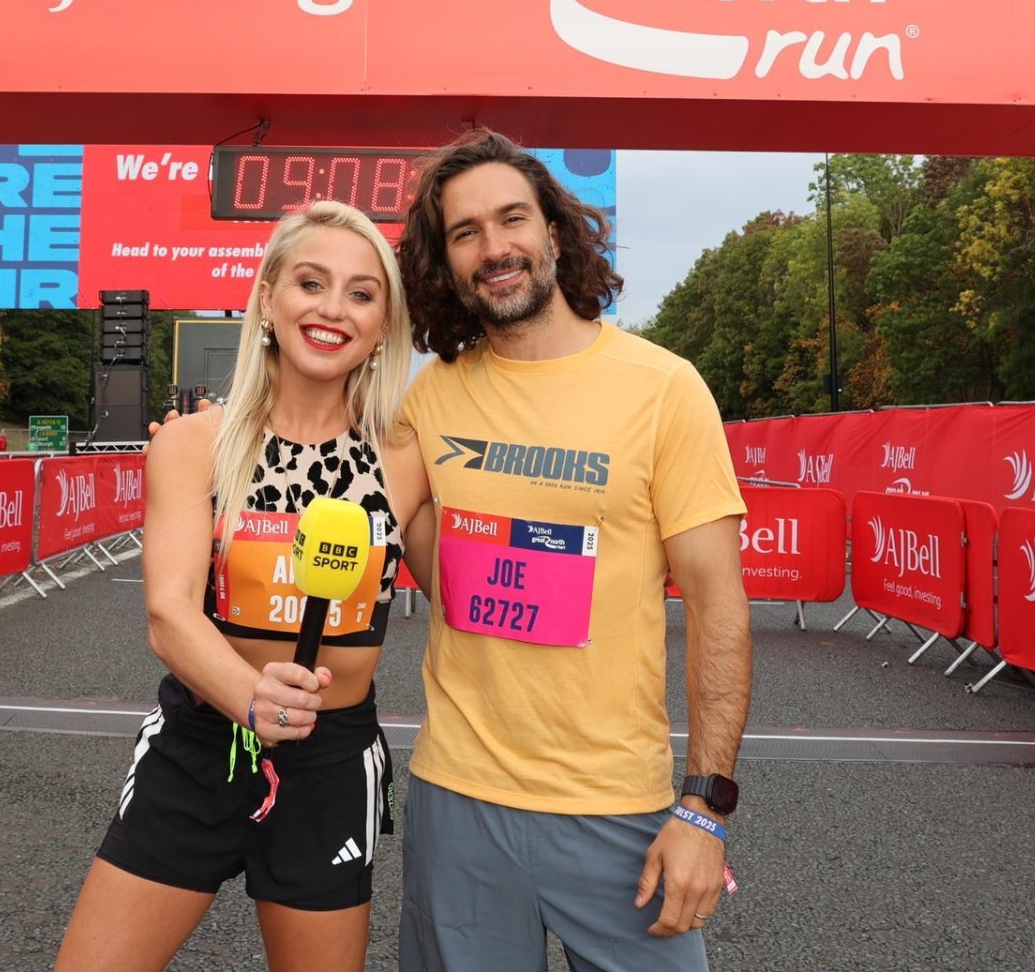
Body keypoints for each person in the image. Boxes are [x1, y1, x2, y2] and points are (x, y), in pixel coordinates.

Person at [393, 129, 752, 971]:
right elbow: (354, 513)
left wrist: (704, 809)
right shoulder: (430, 396)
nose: (495, 247)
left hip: (619, 805)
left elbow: (718, 605)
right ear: (445, 263)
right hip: (460, 799)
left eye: (512, 218)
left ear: (553, 231)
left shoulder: (663, 388)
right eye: (466, 232)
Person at [55, 200, 430, 972]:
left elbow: (468, 591)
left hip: (331, 762)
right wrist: (249, 697)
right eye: (311, 282)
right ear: (267, 297)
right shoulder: (194, 442)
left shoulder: (408, 455)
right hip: (200, 743)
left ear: (383, 324)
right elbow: (169, 611)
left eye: (361, 293)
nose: (333, 308)